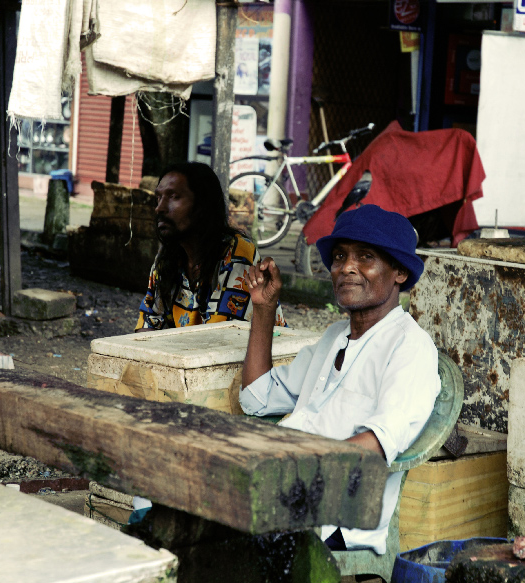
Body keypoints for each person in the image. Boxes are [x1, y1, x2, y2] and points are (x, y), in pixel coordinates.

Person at [239, 204, 440, 554]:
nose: (346, 267)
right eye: (339, 257)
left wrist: (285, 464)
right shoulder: (334, 337)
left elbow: (377, 443)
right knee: (161, 496)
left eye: (365, 256)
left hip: (334, 515)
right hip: (281, 481)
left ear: (400, 273)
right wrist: (264, 309)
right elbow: (256, 398)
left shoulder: (410, 347)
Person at [136, 161, 285, 330]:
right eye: (158, 198)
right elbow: (147, 327)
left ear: (202, 206)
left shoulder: (237, 254)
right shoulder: (168, 257)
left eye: (173, 197)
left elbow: (217, 341)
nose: (159, 208)